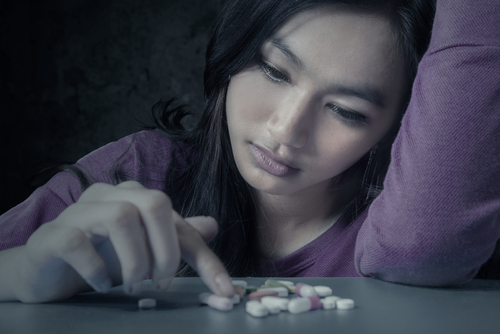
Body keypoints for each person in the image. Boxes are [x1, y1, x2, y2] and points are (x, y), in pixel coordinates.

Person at [1, 0, 499, 303]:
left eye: (346, 111)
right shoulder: (142, 171)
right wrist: (23, 274)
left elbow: (425, 242)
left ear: (397, 126)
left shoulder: (396, 235)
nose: (286, 129)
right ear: (234, 52)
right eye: (274, 72)